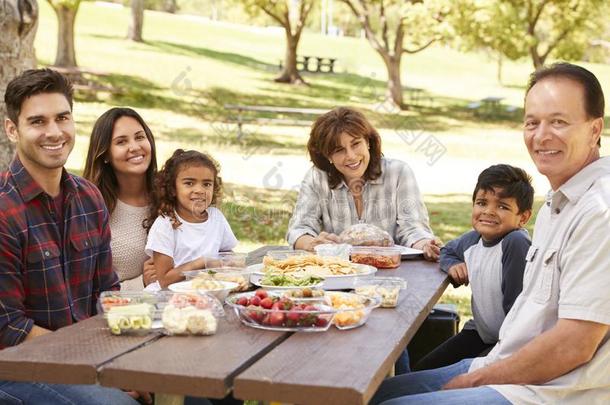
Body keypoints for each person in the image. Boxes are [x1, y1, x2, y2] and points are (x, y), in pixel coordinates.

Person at [370, 62, 610, 404]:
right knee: (368, 394)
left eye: (559, 121)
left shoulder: (600, 210)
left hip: (551, 392)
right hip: (503, 364)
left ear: (594, 128)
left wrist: (475, 380)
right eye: (532, 122)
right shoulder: (559, 204)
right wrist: (483, 370)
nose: (541, 135)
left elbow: (574, 344)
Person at [0, 69, 138, 403]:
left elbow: (108, 294)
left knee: (191, 392)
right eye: (38, 122)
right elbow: (8, 327)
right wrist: (98, 369)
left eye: (62, 118)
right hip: (16, 368)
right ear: (12, 130)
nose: (54, 132)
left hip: (85, 358)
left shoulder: (90, 198)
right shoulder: (4, 210)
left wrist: (129, 364)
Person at [414, 164, 533, 371]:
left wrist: (494, 359)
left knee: (450, 379)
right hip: (481, 333)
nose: (488, 212)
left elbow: (519, 312)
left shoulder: (515, 243)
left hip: (509, 344)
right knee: (424, 368)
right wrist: (453, 265)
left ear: (523, 217)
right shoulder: (474, 239)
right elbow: (446, 251)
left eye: (502, 206)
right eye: (481, 203)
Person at [287, 107, 441, 261]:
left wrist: (426, 245)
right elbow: (299, 229)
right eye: (339, 150)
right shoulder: (317, 178)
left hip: (391, 270)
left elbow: (413, 228)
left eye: (355, 144)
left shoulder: (398, 172)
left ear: (367, 142)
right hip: (340, 271)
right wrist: (312, 244)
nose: (351, 156)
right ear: (328, 156)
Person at [83, 107, 158, 291]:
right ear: (105, 154)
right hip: (118, 314)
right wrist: (141, 283)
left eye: (140, 137)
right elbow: (86, 291)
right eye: (121, 141)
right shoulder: (90, 207)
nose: (135, 147)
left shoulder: (170, 195)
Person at [145, 149, 238, 290]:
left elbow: (227, 253)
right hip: (170, 297)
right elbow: (165, 280)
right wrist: (203, 262)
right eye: (189, 183)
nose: (199, 190)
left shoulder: (216, 217)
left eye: (206, 184)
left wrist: (232, 263)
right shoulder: (165, 224)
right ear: (172, 189)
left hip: (209, 290)